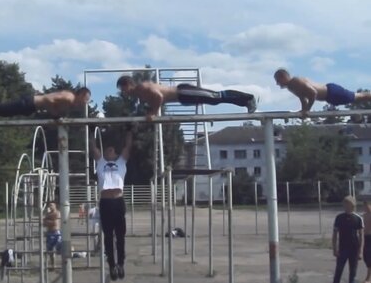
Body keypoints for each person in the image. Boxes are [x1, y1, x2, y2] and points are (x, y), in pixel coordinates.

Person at [90, 128, 133, 281]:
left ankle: (121, 264)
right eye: (107, 149)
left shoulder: (121, 162)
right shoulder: (100, 162)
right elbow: (93, 148)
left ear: (115, 154)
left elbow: (128, 147)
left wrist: (129, 130)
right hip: (106, 202)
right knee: (108, 236)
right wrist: (89, 130)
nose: (109, 150)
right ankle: (112, 265)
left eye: (112, 149)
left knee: (120, 235)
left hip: (118, 201)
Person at [116, 75, 257, 121]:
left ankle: (248, 99)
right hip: (182, 97)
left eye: (123, 89)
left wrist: (153, 112)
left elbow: (158, 96)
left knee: (216, 97)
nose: (123, 92)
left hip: (183, 92)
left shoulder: (141, 88)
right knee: (214, 101)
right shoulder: (140, 95)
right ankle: (245, 102)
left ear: (128, 84)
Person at [274, 68, 371, 118]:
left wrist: (307, 110)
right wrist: (303, 111)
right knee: (358, 98)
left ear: (283, 77)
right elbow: (303, 99)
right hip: (329, 97)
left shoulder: (296, 81)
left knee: (359, 97)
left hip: (332, 92)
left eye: (278, 80)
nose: (277, 84)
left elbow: (313, 93)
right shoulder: (291, 87)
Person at [0, 87, 91, 119]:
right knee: (0, 109)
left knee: (2, 113)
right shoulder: (68, 97)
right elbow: (47, 99)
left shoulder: (70, 104)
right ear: (80, 95)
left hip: (32, 107)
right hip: (30, 102)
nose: (84, 103)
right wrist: (55, 113)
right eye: (85, 100)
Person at [332, 196, 364, 283]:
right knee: (338, 271)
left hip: (354, 248)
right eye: (344, 204)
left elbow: (361, 235)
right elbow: (335, 234)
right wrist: (335, 249)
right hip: (342, 248)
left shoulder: (358, 218)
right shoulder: (339, 217)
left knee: (353, 272)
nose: (345, 206)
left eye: (347, 204)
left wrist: (360, 251)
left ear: (352, 205)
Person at [43, 201, 62, 270]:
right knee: (50, 250)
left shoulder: (57, 213)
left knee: (59, 248)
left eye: (52, 205)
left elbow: (54, 223)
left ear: (55, 205)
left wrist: (47, 221)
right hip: (49, 232)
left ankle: (67, 262)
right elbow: (44, 223)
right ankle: (53, 266)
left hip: (56, 232)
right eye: (49, 205)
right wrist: (48, 221)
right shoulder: (48, 214)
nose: (50, 207)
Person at [363, 201, 371, 283]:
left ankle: (368, 277)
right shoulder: (364, 216)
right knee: (365, 256)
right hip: (365, 237)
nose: (366, 208)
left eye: (368, 206)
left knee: (369, 257)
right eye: (365, 206)